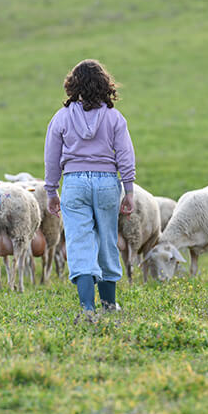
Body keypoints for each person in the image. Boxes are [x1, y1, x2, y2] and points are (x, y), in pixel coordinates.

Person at [43, 59, 136, 321]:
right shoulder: (115, 117)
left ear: (73, 86)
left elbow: (52, 158)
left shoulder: (60, 118)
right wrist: (128, 190)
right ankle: (109, 304)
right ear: (105, 85)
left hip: (73, 183)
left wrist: (51, 191)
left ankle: (87, 308)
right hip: (107, 182)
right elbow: (126, 156)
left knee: (79, 242)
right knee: (107, 240)